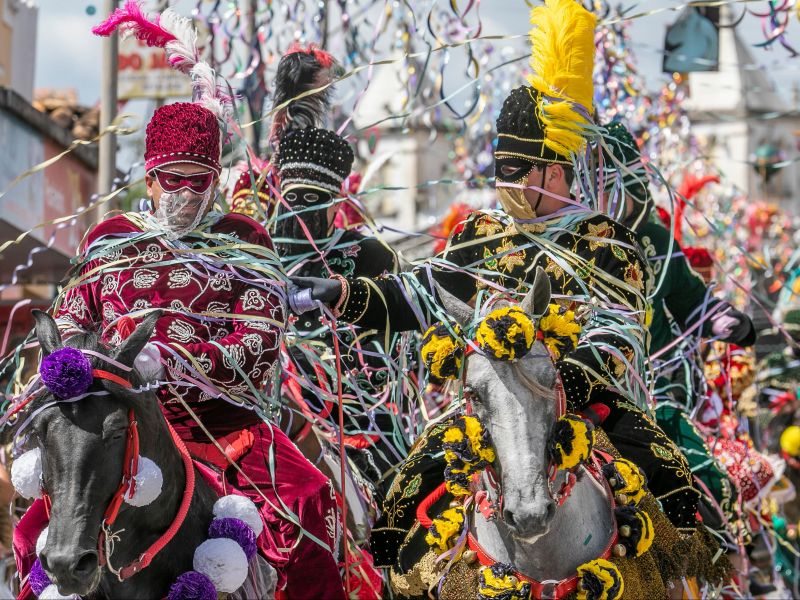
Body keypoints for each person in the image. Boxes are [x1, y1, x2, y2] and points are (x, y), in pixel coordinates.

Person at [290, 0, 701, 549]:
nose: (502, 184)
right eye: (499, 171)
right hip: (490, 406)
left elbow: (621, 326)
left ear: (553, 170)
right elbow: (425, 293)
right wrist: (345, 293)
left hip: (582, 398)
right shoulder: (481, 231)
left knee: (677, 491)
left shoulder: (604, 240)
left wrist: (565, 376)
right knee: (397, 512)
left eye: (515, 172)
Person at [27, 104, 345, 600]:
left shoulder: (243, 239)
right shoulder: (110, 238)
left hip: (223, 429)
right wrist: (78, 362)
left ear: (215, 181)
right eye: (174, 179)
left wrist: (171, 359)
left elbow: (258, 342)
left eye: (200, 181)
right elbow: (70, 316)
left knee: (307, 504)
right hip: (115, 423)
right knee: (32, 532)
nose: (186, 193)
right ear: (150, 180)